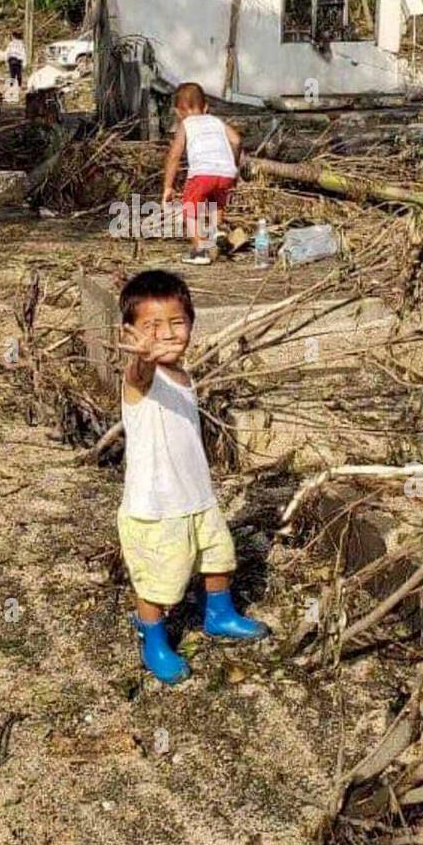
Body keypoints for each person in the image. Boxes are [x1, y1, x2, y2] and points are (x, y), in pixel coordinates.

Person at [118, 270, 269, 685]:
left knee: (218, 556)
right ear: (130, 333)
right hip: (157, 508)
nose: (166, 334)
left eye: (176, 322)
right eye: (151, 326)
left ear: (191, 323)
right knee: (159, 582)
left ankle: (219, 614)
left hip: (196, 497)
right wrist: (140, 356)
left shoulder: (183, 375)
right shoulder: (140, 379)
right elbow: (137, 374)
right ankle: (154, 639)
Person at [162, 82, 242, 265]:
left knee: (190, 211)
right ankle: (216, 233)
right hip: (226, 172)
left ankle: (199, 251)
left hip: (202, 174)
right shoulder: (217, 122)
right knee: (216, 204)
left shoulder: (186, 125)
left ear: (178, 112)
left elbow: (174, 156)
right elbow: (236, 141)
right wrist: (234, 166)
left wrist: (168, 186)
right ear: (206, 107)